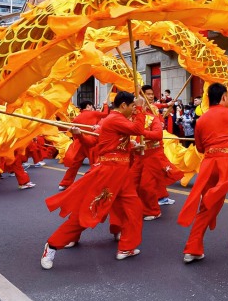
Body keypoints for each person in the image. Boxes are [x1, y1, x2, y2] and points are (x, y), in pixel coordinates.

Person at [41, 92, 162, 269]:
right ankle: (51, 246)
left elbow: (116, 143)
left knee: (134, 209)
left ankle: (126, 247)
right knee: (91, 211)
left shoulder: (115, 121)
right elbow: (135, 130)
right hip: (110, 173)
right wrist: (141, 110)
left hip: (123, 174)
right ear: (123, 106)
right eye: (132, 107)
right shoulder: (114, 119)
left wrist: (132, 147)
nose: (134, 110)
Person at [178, 83, 228, 263]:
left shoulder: (201, 120)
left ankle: (192, 249)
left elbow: (200, 147)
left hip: (209, 164)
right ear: (223, 97)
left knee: (207, 206)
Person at [132, 85, 179, 219]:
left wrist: (142, 131)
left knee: (147, 184)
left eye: (152, 94)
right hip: (137, 155)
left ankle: (153, 210)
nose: (151, 97)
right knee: (131, 183)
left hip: (152, 153)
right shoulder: (132, 116)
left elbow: (157, 134)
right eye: (148, 94)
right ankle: (137, 207)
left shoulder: (151, 115)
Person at [57, 100, 109, 191]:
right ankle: (98, 184)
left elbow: (74, 134)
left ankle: (65, 183)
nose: (92, 108)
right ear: (88, 106)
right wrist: (105, 104)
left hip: (80, 143)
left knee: (74, 165)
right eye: (91, 106)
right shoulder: (93, 113)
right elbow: (105, 114)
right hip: (92, 143)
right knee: (95, 164)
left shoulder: (77, 118)